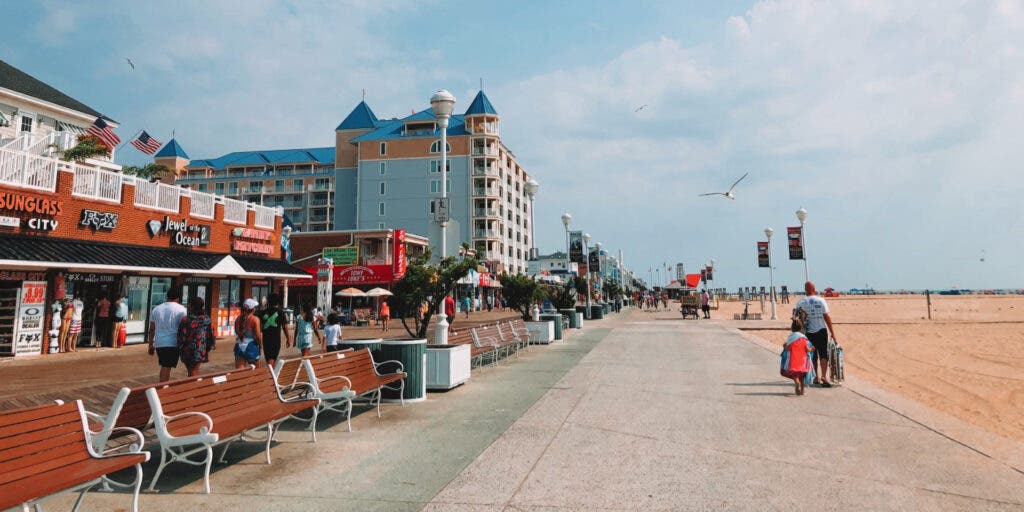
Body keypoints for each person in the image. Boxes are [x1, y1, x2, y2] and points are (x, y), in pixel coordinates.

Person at [795, 281, 837, 387]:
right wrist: (833, 333)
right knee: (823, 354)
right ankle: (823, 376)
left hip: (808, 332)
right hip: (821, 331)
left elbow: (797, 320)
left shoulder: (801, 302)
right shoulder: (821, 300)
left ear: (805, 290)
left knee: (812, 356)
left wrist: (797, 334)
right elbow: (827, 317)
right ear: (814, 289)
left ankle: (815, 378)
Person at [148, 286, 187, 382]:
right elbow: (185, 327)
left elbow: (152, 329)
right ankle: (163, 388)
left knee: (165, 365)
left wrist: (150, 345)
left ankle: (163, 385)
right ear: (178, 298)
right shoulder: (182, 309)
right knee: (166, 366)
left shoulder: (156, 309)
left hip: (159, 343)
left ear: (167, 296)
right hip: (172, 343)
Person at [177, 296, 215, 377]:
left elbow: (181, 335)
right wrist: (208, 348)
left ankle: (192, 387)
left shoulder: (186, 319)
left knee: (191, 371)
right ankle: (193, 387)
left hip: (187, 349)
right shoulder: (207, 319)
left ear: (192, 306)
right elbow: (211, 335)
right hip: (200, 349)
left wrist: (179, 346)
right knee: (195, 371)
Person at [781, 318, 815, 395]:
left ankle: (797, 383)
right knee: (802, 376)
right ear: (801, 328)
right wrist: (811, 349)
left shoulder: (791, 338)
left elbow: (788, 348)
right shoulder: (803, 338)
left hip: (793, 360)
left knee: (795, 375)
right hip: (803, 360)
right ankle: (802, 391)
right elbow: (807, 349)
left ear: (792, 328)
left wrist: (784, 346)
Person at [258, 293, 290, 370]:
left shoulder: (262, 313)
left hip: (265, 339)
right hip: (275, 339)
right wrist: (288, 339)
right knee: (272, 359)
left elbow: (259, 327)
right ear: (278, 302)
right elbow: (285, 327)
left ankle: (270, 375)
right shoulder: (281, 312)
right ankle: (270, 376)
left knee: (269, 359)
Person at [234, 298, 263, 368]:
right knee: (256, 372)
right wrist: (260, 346)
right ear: (253, 309)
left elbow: (237, 332)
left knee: (239, 373)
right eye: (255, 307)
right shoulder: (255, 319)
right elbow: (258, 336)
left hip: (239, 345)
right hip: (251, 346)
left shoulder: (238, 319)